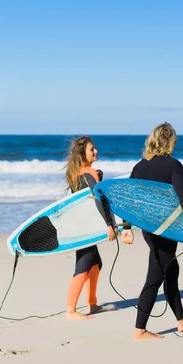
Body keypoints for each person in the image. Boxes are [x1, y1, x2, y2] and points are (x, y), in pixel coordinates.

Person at [121, 122, 183, 340]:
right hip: (167, 228)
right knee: (156, 275)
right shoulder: (173, 165)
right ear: (169, 143)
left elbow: (127, 199)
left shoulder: (139, 166)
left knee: (171, 269)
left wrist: (127, 227)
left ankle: (181, 319)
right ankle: (140, 330)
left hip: (149, 229)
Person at [64, 136, 120, 320]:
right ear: (82, 154)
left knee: (96, 264)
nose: (95, 151)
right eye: (91, 149)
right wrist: (109, 225)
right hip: (85, 227)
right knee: (83, 265)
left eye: (95, 148)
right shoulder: (89, 173)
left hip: (81, 223)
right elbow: (98, 200)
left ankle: (92, 303)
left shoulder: (76, 173)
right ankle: (70, 311)